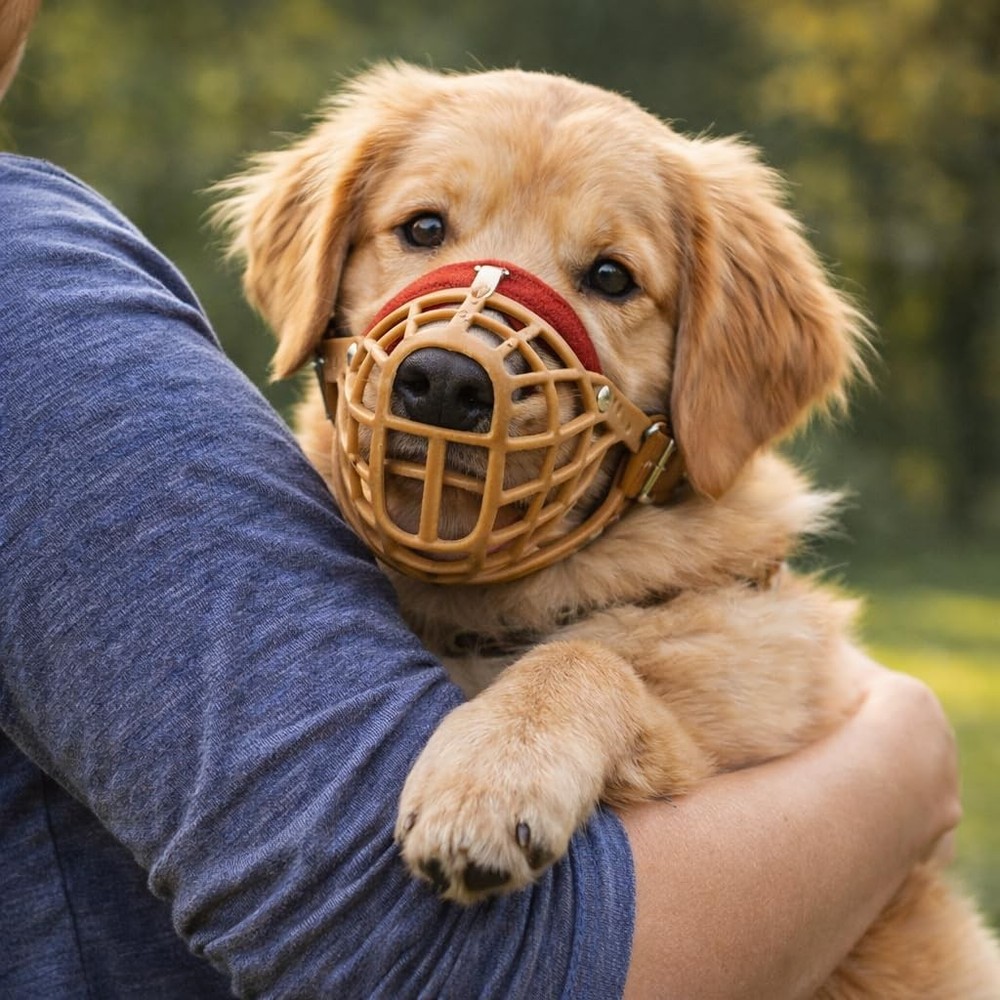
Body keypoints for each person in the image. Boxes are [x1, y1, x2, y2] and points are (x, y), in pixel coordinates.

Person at [0, 5, 961, 998]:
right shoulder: (30, 299)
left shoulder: (728, 624)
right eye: (422, 230)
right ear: (320, 276)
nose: (465, 361)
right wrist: (907, 755)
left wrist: (587, 694)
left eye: (607, 276)